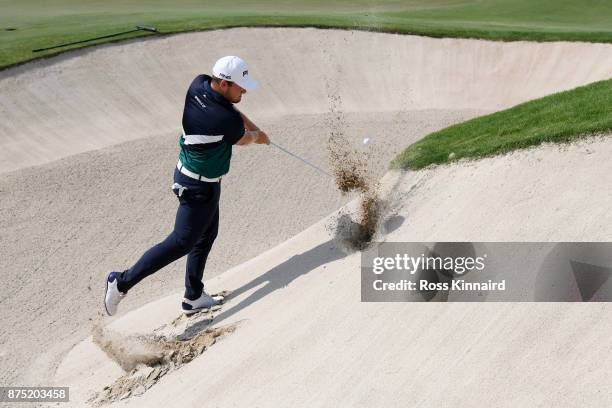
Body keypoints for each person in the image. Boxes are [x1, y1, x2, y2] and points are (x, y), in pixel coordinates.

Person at [104, 55, 270, 316]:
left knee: (206, 235)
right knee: (181, 242)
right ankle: (121, 281)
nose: (244, 90)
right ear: (224, 84)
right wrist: (259, 135)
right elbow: (244, 139)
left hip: (199, 181)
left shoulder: (199, 84)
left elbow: (234, 113)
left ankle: (193, 296)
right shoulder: (221, 119)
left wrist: (252, 128)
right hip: (196, 188)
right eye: (240, 86)